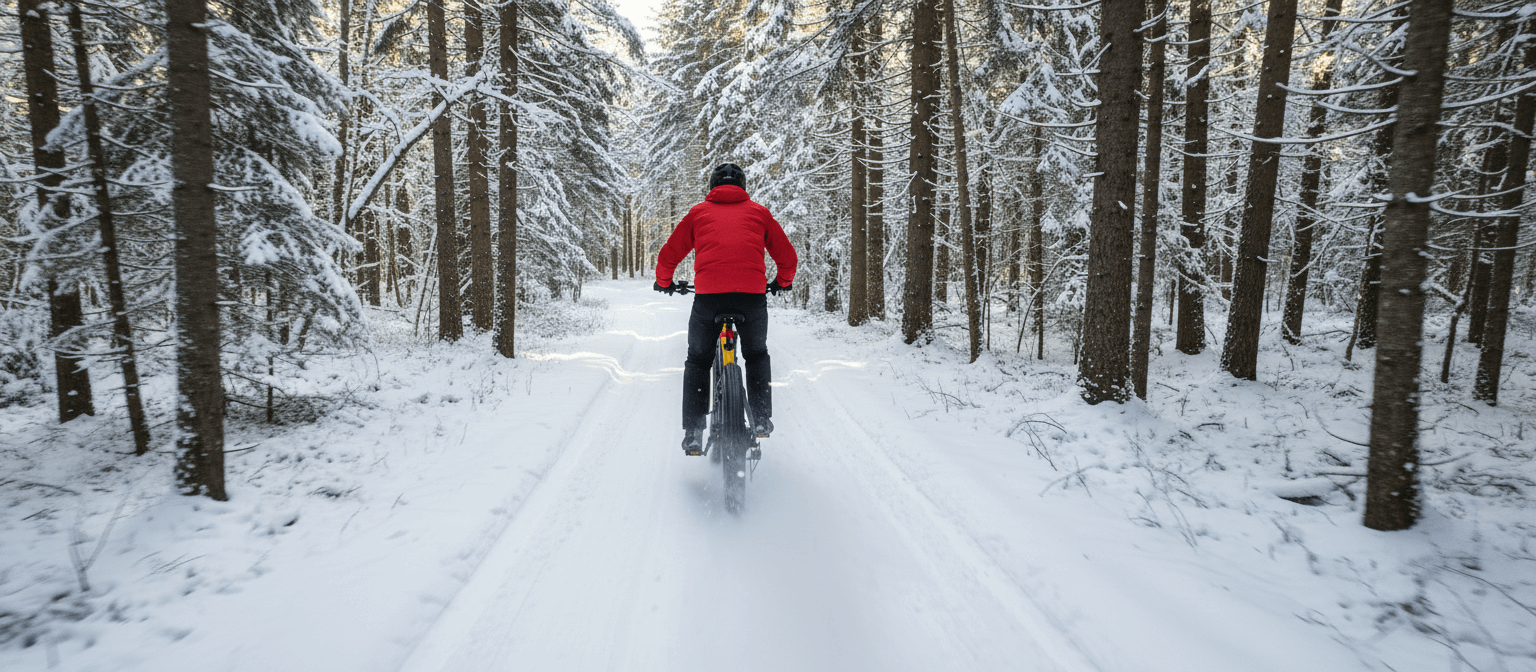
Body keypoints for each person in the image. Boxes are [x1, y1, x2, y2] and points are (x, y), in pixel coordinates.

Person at [654, 163, 797, 455]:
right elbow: (787, 257)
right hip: (751, 298)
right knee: (756, 354)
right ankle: (760, 417)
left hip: (710, 298)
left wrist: (664, 281)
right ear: (743, 187)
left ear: (712, 187)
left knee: (697, 359)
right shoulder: (759, 213)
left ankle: (693, 431)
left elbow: (670, 253)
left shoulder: (698, 213)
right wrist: (782, 282)